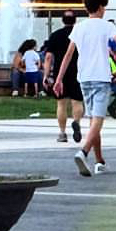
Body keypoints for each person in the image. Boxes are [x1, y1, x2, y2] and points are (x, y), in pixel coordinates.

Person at [55, 0, 116, 177]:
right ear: (101, 7)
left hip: (84, 77)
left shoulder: (79, 27)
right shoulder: (107, 26)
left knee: (94, 119)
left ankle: (100, 161)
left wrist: (59, 78)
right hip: (101, 77)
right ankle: (83, 151)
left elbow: (68, 54)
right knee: (98, 120)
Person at [44, 11, 83, 144]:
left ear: (62, 20)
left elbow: (49, 57)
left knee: (61, 103)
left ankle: (62, 132)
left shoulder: (55, 35)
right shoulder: (80, 34)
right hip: (77, 71)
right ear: (75, 20)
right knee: (77, 101)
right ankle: (76, 123)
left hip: (60, 72)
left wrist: (46, 75)